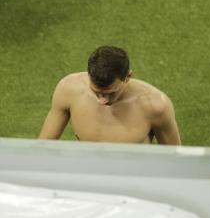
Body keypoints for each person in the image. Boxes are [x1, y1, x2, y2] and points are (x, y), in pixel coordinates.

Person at [38, 45, 181, 145]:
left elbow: (176, 160)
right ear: (89, 75)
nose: (102, 100)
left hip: (131, 183)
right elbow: (42, 148)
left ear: (128, 76)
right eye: (96, 92)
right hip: (86, 179)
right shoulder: (68, 90)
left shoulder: (156, 106)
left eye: (110, 93)